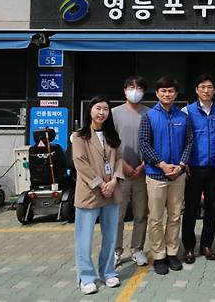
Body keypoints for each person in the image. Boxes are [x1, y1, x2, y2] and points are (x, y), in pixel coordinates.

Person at [139, 75, 193, 275]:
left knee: (174, 216)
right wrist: (162, 165)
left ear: (176, 94)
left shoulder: (183, 117)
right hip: (155, 175)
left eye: (171, 91)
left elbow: (189, 142)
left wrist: (180, 165)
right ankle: (159, 255)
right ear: (157, 93)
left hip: (177, 176)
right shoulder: (149, 117)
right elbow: (144, 144)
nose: (167, 94)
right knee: (155, 218)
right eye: (163, 91)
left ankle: (172, 252)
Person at [72, 95, 124, 295]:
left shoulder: (112, 135)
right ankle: (86, 277)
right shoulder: (79, 136)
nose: (102, 113)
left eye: (105, 109)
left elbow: (119, 159)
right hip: (90, 193)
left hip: (111, 192)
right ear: (90, 111)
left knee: (110, 236)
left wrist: (114, 181)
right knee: (84, 239)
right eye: (98, 108)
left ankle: (108, 272)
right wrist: (101, 184)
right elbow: (80, 163)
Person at [181, 73, 215, 263]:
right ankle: (189, 247)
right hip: (193, 167)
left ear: (214, 90)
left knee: (212, 208)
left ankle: (207, 244)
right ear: (197, 90)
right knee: (190, 208)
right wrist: (184, 163)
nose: (206, 91)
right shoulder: (186, 111)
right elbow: (181, 140)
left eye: (209, 87)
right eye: (202, 87)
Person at [112, 76, 149, 268]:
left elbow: (153, 142)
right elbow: (110, 145)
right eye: (131, 87)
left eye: (139, 87)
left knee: (141, 214)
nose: (135, 90)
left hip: (143, 172)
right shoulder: (113, 113)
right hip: (120, 173)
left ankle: (137, 249)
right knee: (117, 215)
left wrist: (144, 165)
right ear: (125, 89)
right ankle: (116, 251)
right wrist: (123, 164)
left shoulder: (149, 113)